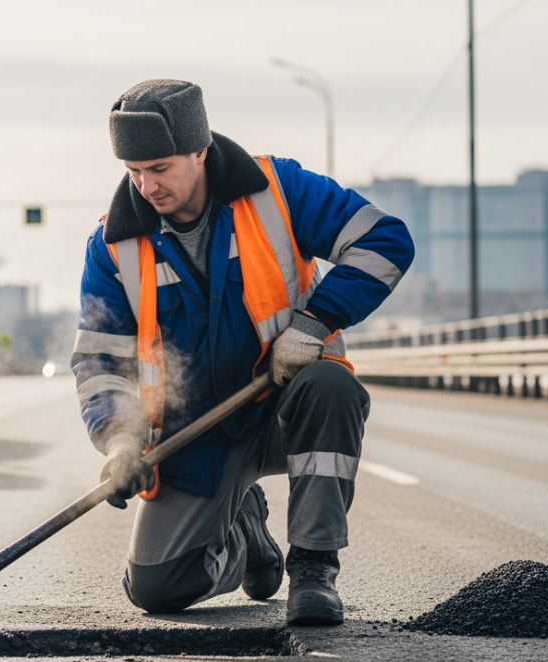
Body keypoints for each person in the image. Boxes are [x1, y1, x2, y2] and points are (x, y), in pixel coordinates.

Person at [71, 79, 414, 625]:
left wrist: (314, 324)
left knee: (331, 386)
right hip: (197, 433)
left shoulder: (278, 192)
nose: (146, 186)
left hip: (285, 409)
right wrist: (121, 440)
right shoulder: (115, 245)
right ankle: (245, 536)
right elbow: (100, 361)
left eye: (159, 168)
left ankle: (314, 569)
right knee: (157, 589)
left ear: (199, 150)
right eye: (133, 171)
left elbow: (386, 242)